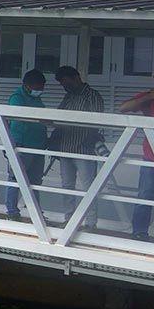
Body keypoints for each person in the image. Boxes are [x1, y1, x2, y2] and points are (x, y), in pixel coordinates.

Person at [118, 59, 154, 240]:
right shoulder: (149, 96)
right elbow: (123, 108)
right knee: (144, 198)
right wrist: (152, 96)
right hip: (153, 157)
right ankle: (139, 234)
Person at [53, 65, 106, 222]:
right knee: (67, 187)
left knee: (88, 188)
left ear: (76, 78)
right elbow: (58, 116)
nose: (65, 86)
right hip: (66, 148)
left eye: (66, 82)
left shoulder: (92, 96)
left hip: (84, 149)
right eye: (62, 84)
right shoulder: (68, 96)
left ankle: (90, 223)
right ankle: (69, 220)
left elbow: (96, 122)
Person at [3, 69, 50, 221]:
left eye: (42, 87)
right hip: (21, 144)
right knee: (16, 179)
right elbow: (18, 119)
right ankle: (12, 212)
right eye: (38, 87)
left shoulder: (36, 99)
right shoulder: (17, 98)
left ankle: (36, 214)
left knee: (35, 181)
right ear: (28, 85)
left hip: (38, 145)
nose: (40, 90)